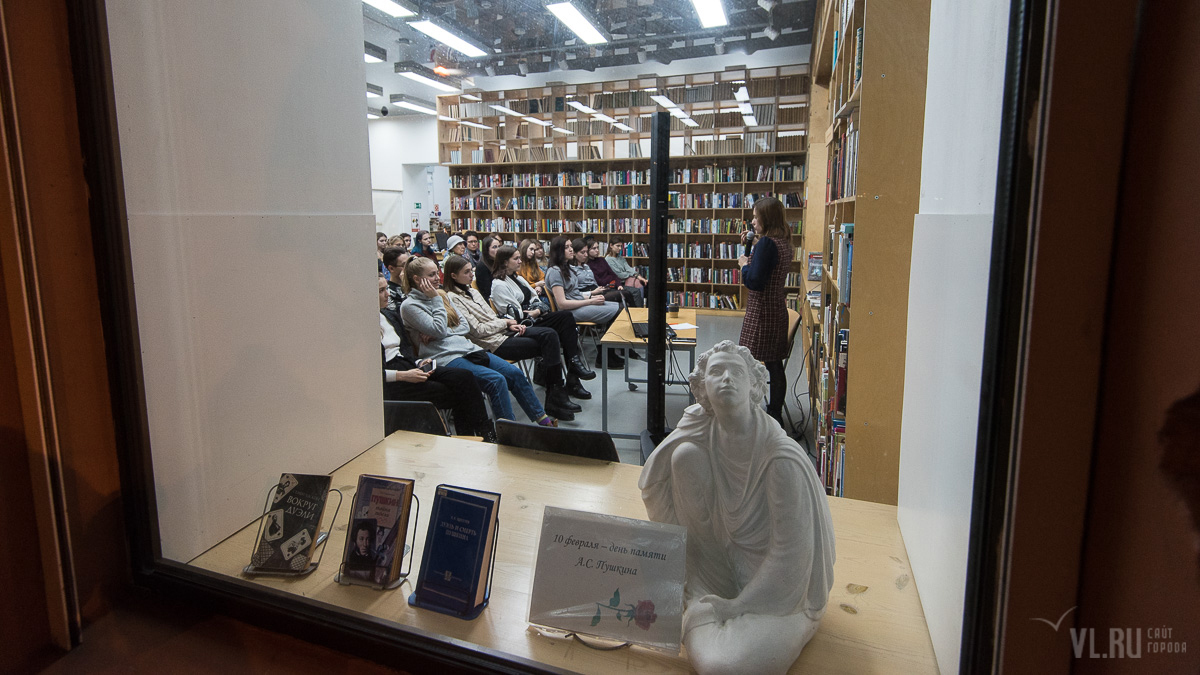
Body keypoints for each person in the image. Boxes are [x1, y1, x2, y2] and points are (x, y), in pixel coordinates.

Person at [639, 341, 835, 674]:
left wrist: (737, 606)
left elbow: (790, 558)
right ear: (702, 388)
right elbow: (656, 485)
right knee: (683, 457)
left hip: (777, 593)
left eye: (737, 372)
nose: (727, 378)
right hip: (718, 573)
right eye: (716, 371)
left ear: (755, 385)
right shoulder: (698, 435)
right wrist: (678, 567)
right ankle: (700, 591)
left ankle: (718, 614)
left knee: (722, 666)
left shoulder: (780, 461)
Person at [399, 257, 558, 427]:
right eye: (431, 275)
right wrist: (437, 305)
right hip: (445, 356)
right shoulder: (410, 306)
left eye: (437, 272)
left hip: (468, 348)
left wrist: (443, 330)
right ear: (417, 279)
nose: (438, 277)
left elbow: (464, 327)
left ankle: (543, 421)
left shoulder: (442, 296)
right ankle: (510, 432)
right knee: (496, 381)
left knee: (515, 373)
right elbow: (439, 330)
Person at [441, 255, 581, 421]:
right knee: (549, 343)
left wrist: (507, 325)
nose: (472, 275)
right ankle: (555, 394)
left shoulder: (472, 291)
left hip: (502, 331)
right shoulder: (453, 298)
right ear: (453, 276)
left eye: (471, 270)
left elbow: (491, 317)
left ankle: (556, 393)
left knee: (550, 335)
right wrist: (505, 323)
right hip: (491, 343)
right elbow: (477, 330)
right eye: (466, 272)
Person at [378, 276, 494, 440]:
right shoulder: (364, 327)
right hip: (391, 379)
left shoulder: (389, 315)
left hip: (407, 365)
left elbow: (404, 350)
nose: (388, 294)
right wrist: (403, 375)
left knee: (464, 377)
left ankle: (484, 431)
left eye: (386, 289)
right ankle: (474, 435)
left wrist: (419, 362)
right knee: (455, 392)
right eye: (381, 290)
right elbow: (370, 375)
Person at [490, 244, 596, 399]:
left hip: (533, 317)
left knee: (566, 317)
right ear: (505, 262)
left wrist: (537, 310)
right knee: (553, 332)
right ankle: (568, 383)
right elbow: (516, 314)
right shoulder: (499, 284)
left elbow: (536, 298)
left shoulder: (518, 278)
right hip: (522, 325)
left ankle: (574, 366)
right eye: (516, 258)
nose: (520, 261)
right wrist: (537, 309)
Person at [737, 196, 794, 424]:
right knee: (774, 364)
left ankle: (745, 412)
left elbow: (754, 282)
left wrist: (744, 265)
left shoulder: (766, 245)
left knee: (745, 362)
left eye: (755, 217)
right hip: (776, 310)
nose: (752, 222)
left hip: (760, 314)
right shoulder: (783, 242)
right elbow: (769, 266)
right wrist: (755, 249)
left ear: (766, 219)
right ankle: (775, 414)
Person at [544, 236, 624, 368]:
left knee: (621, 307)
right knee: (618, 311)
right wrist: (590, 302)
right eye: (567, 247)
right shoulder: (555, 272)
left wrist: (591, 298)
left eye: (571, 246)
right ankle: (604, 355)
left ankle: (607, 352)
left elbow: (575, 295)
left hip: (579, 304)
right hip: (569, 312)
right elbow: (562, 303)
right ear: (558, 251)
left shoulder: (567, 268)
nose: (571, 250)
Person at [586, 239, 644, 307]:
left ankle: (638, 312)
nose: (597, 250)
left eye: (597, 247)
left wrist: (618, 285)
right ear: (587, 250)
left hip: (615, 285)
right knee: (627, 293)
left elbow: (613, 274)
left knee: (636, 291)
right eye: (594, 248)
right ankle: (634, 311)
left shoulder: (601, 260)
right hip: (605, 288)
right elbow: (599, 281)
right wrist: (611, 279)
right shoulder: (587, 265)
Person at [474, 235, 502, 299]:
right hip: (492, 298)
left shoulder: (498, 262)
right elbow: (487, 291)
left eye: (499, 246)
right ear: (486, 250)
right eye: (494, 247)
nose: (498, 250)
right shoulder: (482, 267)